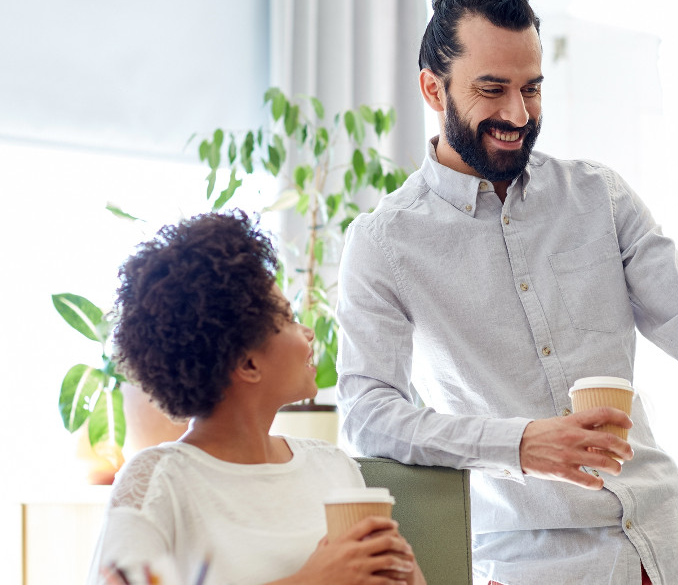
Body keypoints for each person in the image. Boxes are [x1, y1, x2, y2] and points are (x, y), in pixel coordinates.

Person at [334, 0, 678, 585]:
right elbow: (368, 413)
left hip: (662, 550)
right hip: (531, 563)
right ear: (434, 89)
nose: (518, 114)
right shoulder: (385, 242)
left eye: (531, 88)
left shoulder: (597, 196)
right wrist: (518, 444)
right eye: (492, 89)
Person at [87, 211, 425, 585]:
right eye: (289, 319)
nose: (309, 333)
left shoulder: (331, 466)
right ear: (248, 363)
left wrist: (403, 571)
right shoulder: (158, 483)